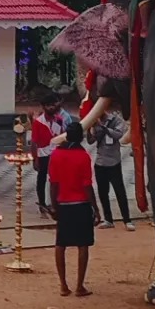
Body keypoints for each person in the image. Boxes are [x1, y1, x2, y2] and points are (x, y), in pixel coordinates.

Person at [49, 119, 97, 297]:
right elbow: (87, 185)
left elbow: (53, 183)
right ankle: (79, 285)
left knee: (60, 244)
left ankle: (63, 285)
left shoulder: (56, 155)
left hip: (63, 203)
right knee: (82, 244)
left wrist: (53, 205)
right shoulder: (83, 156)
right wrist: (96, 208)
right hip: (81, 204)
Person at [89, 109, 134, 230]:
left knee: (120, 191)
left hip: (114, 161)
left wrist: (104, 128)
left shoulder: (116, 120)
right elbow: (90, 141)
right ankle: (108, 219)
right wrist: (90, 128)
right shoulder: (95, 122)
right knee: (103, 193)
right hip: (100, 161)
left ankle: (127, 220)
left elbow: (118, 135)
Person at [30, 96, 65, 216]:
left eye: (53, 105)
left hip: (55, 154)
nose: (51, 107)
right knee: (41, 179)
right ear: (44, 107)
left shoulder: (59, 120)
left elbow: (61, 135)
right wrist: (35, 159)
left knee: (56, 179)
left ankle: (55, 202)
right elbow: (34, 142)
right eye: (48, 105)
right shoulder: (38, 122)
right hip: (43, 154)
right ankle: (42, 203)